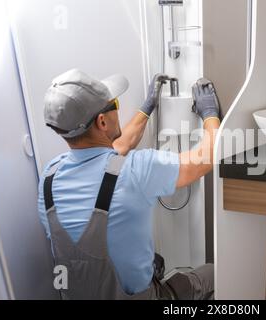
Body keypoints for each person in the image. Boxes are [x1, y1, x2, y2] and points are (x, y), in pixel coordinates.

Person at [38, 69, 220, 300]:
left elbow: (116, 148)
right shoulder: (135, 169)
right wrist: (210, 115)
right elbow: (204, 160)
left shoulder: (49, 176)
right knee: (216, 272)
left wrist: (147, 108)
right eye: (113, 103)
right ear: (102, 121)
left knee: (151, 260)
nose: (118, 106)